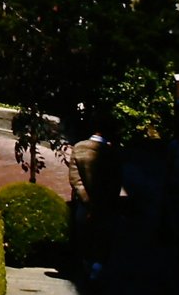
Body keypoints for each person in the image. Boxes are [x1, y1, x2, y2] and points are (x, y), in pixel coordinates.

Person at [68, 118, 123, 282]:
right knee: (103, 240)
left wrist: (87, 200)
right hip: (106, 205)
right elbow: (116, 182)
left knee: (84, 239)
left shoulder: (78, 148)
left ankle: (86, 269)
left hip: (84, 205)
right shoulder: (112, 152)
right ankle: (96, 271)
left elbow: (75, 180)